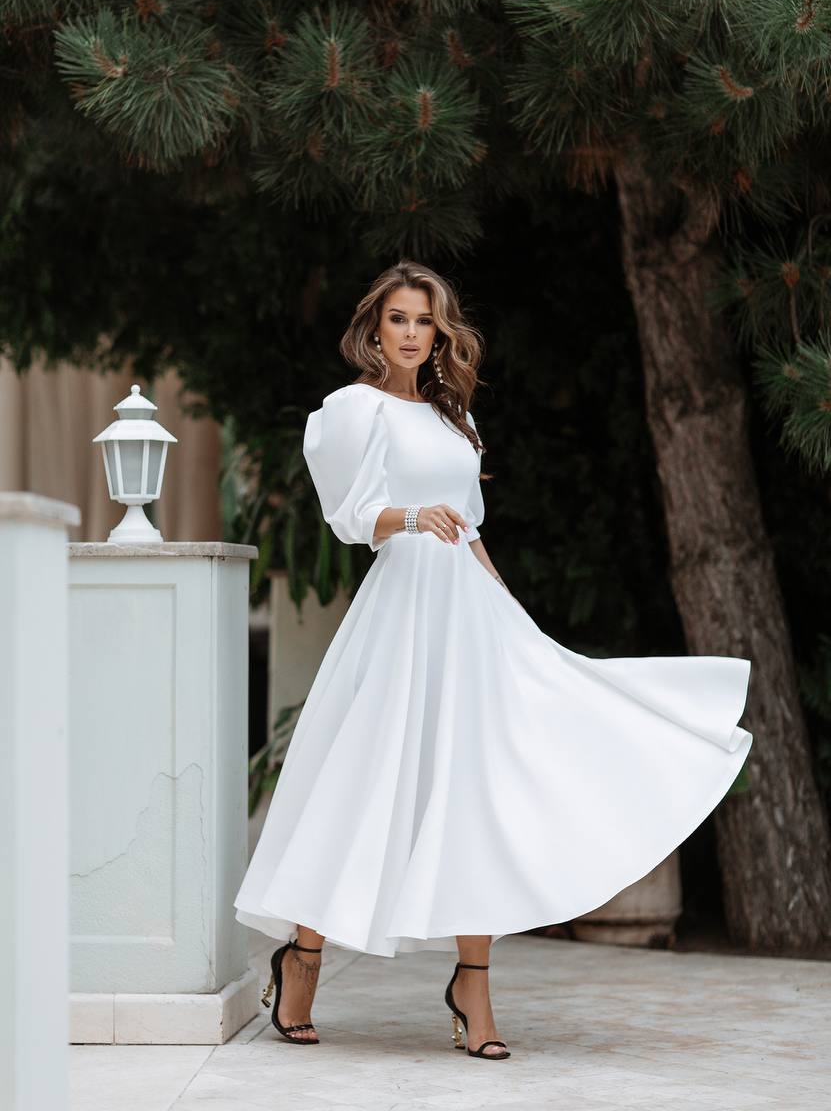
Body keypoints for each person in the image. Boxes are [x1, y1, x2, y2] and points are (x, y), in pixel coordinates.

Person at [233, 260, 753, 1060]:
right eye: (398, 319)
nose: (411, 334)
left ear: (441, 336)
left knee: (476, 790)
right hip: (401, 614)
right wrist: (410, 514)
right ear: (374, 328)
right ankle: (302, 960)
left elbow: (471, 533)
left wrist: (511, 616)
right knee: (360, 784)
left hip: (468, 615)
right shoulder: (352, 410)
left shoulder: (456, 422)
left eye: (425, 323)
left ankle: (471, 983)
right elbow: (350, 519)